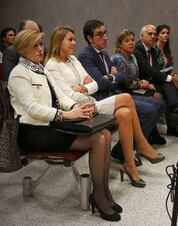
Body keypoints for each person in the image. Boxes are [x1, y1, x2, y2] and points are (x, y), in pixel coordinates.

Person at [8, 30, 120, 221]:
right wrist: (65, 115)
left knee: (105, 134)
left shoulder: (40, 68)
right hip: (33, 131)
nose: (40, 48)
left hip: (52, 124)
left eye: (41, 44)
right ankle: (99, 196)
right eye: (35, 45)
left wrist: (76, 107)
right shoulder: (18, 74)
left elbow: (60, 95)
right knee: (98, 140)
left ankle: (104, 192)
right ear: (22, 49)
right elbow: (33, 109)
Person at [45, 26, 164, 186]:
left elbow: (93, 83)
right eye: (70, 39)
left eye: (74, 39)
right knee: (126, 98)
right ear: (58, 42)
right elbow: (70, 96)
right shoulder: (52, 65)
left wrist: (83, 87)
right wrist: (87, 86)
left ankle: (130, 166)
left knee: (124, 113)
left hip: (90, 103)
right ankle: (142, 145)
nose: (74, 42)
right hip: (79, 111)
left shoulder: (73, 60)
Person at [77, 20, 166, 146]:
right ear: (89, 38)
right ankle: (125, 150)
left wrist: (110, 77)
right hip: (103, 98)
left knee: (160, 104)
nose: (105, 37)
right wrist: (113, 76)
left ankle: (137, 143)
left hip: (116, 92)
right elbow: (101, 84)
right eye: (100, 34)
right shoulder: (86, 56)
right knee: (149, 109)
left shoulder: (105, 54)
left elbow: (119, 76)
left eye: (105, 33)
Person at [135, 24, 178, 138]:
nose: (153, 36)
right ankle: (174, 111)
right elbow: (149, 70)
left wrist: (172, 76)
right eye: (150, 34)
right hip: (143, 83)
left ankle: (173, 126)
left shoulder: (152, 49)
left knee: (176, 86)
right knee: (169, 86)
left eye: (154, 34)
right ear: (141, 36)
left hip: (154, 80)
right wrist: (170, 77)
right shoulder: (139, 49)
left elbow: (157, 69)